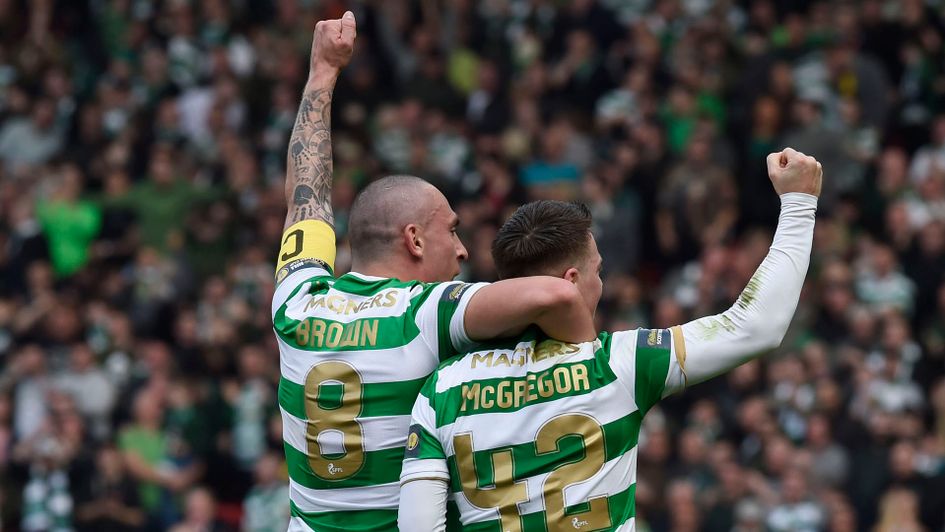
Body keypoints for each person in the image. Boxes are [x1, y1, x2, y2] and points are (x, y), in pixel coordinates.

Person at [273, 13, 595, 532]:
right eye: (453, 230)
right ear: (415, 240)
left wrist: (322, 74)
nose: (463, 250)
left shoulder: (296, 297)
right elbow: (552, 296)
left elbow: (304, 195)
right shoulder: (427, 311)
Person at [397, 148, 822, 531]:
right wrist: (799, 204)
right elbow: (755, 326)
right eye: (597, 270)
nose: (601, 283)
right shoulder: (617, 364)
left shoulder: (442, 388)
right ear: (571, 281)